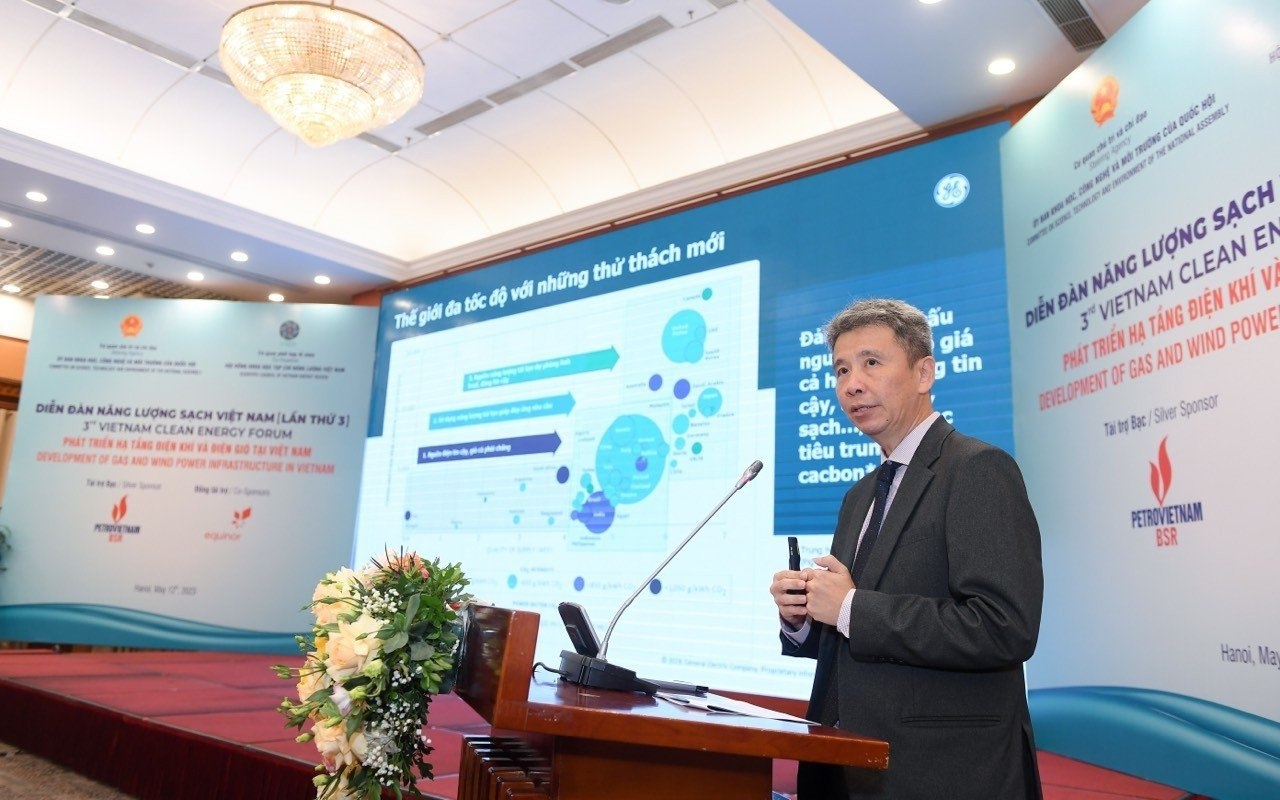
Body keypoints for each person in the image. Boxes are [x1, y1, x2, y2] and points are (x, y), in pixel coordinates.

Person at [770, 298, 1043, 799]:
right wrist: (804, 618)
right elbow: (854, 637)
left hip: (940, 773)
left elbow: (1004, 628)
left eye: (871, 363)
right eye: (841, 370)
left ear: (924, 373)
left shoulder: (977, 469)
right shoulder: (859, 496)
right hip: (844, 765)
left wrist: (850, 607)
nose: (852, 384)